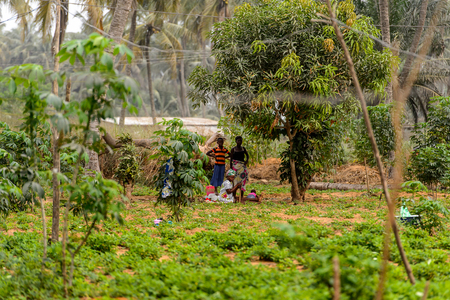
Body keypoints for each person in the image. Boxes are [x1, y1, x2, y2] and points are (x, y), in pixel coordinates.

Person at [230, 136, 249, 202]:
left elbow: (247, 155)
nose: (239, 142)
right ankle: (234, 197)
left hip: (242, 167)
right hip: (235, 167)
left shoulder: (243, 149)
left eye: (241, 140)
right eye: (238, 140)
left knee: (242, 182)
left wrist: (246, 161)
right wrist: (231, 169)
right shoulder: (233, 149)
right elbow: (231, 159)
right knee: (234, 182)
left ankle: (241, 197)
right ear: (236, 141)